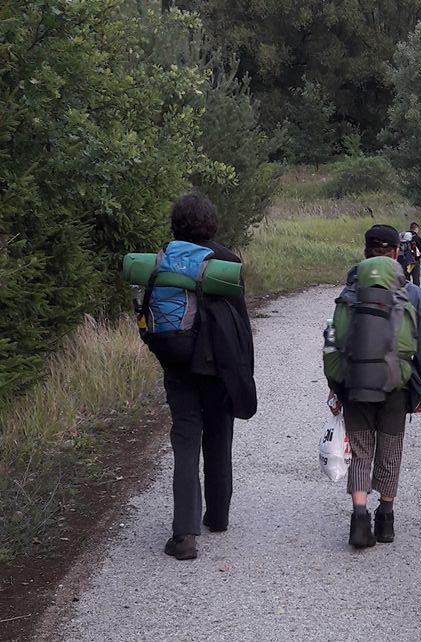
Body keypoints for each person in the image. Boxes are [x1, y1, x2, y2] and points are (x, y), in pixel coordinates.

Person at [140, 192, 257, 561]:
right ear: (211, 223)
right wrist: (244, 375)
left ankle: (185, 536)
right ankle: (218, 517)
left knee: (186, 442)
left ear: (176, 225)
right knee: (219, 437)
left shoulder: (164, 259)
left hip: (177, 366)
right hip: (217, 367)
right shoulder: (226, 262)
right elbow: (241, 326)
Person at [325, 224, 421, 549]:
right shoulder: (411, 292)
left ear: (365, 252)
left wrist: (336, 386)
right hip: (396, 384)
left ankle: (359, 518)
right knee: (390, 450)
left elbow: (336, 340)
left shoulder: (350, 289)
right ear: (395, 253)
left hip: (356, 382)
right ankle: (385, 517)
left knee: (361, 452)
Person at [409, 222, 421, 287]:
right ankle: (415, 293)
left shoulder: (406, 236)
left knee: (407, 276)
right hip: (414, 261)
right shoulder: (416, 237)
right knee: (416, 279)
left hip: (407, 262)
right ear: (416, 229)